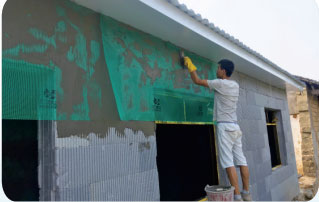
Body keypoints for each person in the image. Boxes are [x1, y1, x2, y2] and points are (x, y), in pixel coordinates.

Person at [183, 56, 252, 201]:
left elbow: (197, 81)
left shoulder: (220, 84)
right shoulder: (235, 85)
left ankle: (237, 197)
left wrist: (191, 66)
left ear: (223, 70)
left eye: (218, 68)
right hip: (235, 127)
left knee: (228, 162)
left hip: (225, 127)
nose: (216, 70)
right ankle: (247, 193)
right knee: (242, 161)